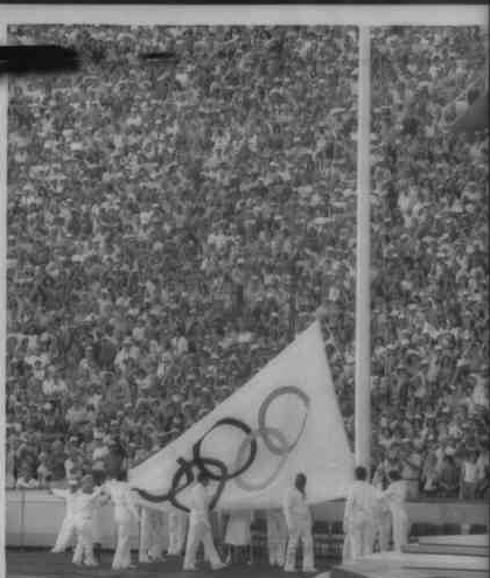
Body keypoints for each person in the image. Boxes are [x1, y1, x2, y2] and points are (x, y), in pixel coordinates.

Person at [182, 472, 226, 571]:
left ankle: (216, 563)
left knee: (209, 542)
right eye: (207, 480)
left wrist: (215, 495)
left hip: (201, 520)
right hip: (198, 520)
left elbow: (206, 501)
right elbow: (201, 506)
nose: (209, 482)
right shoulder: (197, 490)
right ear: (203, 479)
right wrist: (205, 521)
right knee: (193, 543)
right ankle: (188, 564)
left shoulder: (202, 490)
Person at [101, 471, 140, 570]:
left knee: (124, 540)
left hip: (118, 514)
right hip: (124, 515)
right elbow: (130, 504)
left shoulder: (114, 486)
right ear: (125, 478)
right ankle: (116, 563)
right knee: (124, 540)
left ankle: (125, 563)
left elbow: (106, 485)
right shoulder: (125, 488)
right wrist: (137, 517)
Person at [343, 466, 378, 561]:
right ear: (366, 476)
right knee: (368, 545)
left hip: (357, 517)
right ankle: (366, 569)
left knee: (356, 544)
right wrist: (375, 520)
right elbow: (375, 505)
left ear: (355, 475)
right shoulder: (371, 488)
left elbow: (349, 504)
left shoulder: (353, 487)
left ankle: (356, 566)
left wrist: (346, 519)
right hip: (369, 517)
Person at [283, 473, 316, 573]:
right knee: (293, 544)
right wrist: (289, 524)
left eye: (302, 481)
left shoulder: (305, 492)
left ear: (304, 482)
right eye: (298, 480)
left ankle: (308, 566)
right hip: (295, 520)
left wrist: (311, 521)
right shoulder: (290, 492)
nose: (300, 482)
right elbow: (286, 509)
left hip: (306, 521)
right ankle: (289, 566)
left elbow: (308, 507)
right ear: (296, 481)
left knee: (308, 544)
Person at [72, 474, 103, 567]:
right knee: (88, 542)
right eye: (90, 482)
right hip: (84, 521)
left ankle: (76, 559)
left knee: (81, 541)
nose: (92, 484)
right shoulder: (83, 494)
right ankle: (89, 561)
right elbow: (92, 497)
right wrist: (101, 488)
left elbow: (96, 504)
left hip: (79, 520)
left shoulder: (80, 493)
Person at [50, 479, 79, 553]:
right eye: (72, 486)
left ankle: (78, 548)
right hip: (69, 517)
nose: (73, 488)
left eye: (74, 486)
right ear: (69, 486)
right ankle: (59, 548)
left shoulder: (80, 494)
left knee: (79, 534)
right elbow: (57, 492)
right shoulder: (67, 493)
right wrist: (52, 490)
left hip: (79, 517)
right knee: (64, 533)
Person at [382, 470, 408, 552]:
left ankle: (398, 551)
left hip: (397, 513)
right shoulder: (403, 485)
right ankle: (403, 551)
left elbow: (382, 495)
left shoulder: (393, 486)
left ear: (391, 478)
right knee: (403, 536)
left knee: (397, 536)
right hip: (403, 512)